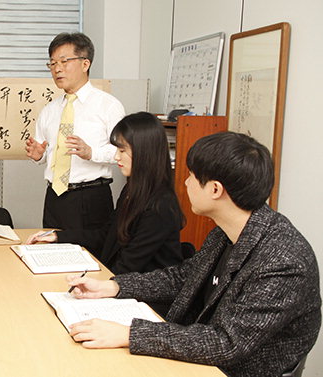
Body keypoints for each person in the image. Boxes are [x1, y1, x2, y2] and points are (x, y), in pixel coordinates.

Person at [65, 132, 321, 377]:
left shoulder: (283, 261)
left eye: (191, 176)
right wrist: (114, 287)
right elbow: (184, 276)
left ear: (215, 189)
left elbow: (227, 342)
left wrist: (129, 334)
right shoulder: (228, 230)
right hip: (200, 354)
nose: (185, 183)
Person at [27, 112, 185, 314]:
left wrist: (92, 285)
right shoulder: (133, 190)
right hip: (120, 285)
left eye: (122, 150)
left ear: (144, 152)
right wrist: (58, 236)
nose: (116, 156)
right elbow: (106, 234)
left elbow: (129, 266)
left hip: (146, 302)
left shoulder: (161, 205)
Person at [25, 32, 125, 230]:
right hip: (54, 196)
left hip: (91, 196)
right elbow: (46, 153)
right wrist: (39, 155)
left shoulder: (108, 106)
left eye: (64, 61)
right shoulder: (49, 110)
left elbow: (124, 152)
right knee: (51, 253)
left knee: (92, 256)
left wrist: (91, 153)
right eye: (52, 64)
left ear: (85, 64)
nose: (57, 69)